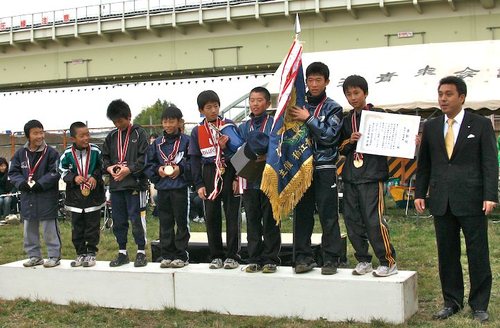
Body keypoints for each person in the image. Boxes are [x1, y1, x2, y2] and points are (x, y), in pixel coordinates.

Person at [414, 76, 497, 323]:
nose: (443, 98)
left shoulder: (480, 124)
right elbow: (424, 164)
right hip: (441, 200)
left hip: (472, 199)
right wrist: (420, 193)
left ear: (461, 97)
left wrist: (490, 195)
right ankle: (452, 301)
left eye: (448, 94)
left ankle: (479, 304)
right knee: (447, 254)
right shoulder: (431, 126)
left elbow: (490, 163)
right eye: (440, 94)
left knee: (477, 252)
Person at [288, 62, 344, 275]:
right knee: (302, 214)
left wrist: (309, 119)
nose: (313, 84)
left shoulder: (334, 107)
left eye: (318, 80)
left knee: (328, 214)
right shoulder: (297, 105)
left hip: (324, 167)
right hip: (301, 168)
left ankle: (331, 259)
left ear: (327, 82)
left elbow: (330, 136)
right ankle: (303, 257)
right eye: (310, 80)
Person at [339, 75, 397, 277]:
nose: (353, 98)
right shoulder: (346, 120)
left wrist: (411, 141)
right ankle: (363, 260)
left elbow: (396, 137)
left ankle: (387, 260)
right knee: (352, 220)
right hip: (351, 176)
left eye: (356, 93)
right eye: (348, 94)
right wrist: (350, 140)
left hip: (372, 175)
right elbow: (340, 147)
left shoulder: (379, 115)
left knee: (374, 220)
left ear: (366, 93)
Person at [188, 90, 242, 270]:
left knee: (232, 214)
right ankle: (216, 255)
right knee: (211, 216)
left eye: (216, 106)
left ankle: (233, 255)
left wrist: (237, 177)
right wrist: (199, 184)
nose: (213, 110)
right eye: (209, 107)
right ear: (201, 110)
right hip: (209, 172)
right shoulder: (197, 131)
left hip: (229, 171)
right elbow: (194, 159)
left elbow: (240, 153)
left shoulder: (228, 125)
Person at [238, 87, 281, 273]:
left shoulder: (275, 124)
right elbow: (237, 154)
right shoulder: (243, 126)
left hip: (269, 179)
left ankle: (271, 258)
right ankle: (253, 258)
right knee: (253, 220)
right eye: (252, 100)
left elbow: (281, 147)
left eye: (259, 100)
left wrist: (267, 156)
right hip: (249, 180)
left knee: (270, 220)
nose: (255, 104)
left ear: (268, 103)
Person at [102, 99, 149, 267]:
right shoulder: (112, 136)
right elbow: (104, 158)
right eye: (114, 122)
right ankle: (122, 252)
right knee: (119, 219)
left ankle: (141, 252)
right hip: (116, 186)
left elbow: (145, 158)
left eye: (120, 121)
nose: (117, 124)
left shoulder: (139, 134)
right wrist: (110, 168)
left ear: (129, 117)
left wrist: (129, 169)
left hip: (135, 185)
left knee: (137, 219)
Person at [8, 120, 61, 268]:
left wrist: (40, 183)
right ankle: (34, 255)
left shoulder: (51, 152)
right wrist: (21, 183)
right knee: (29, 228)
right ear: (28, 136)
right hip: (27, 197)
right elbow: (13, 172)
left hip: (46, 197)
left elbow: (55, 172)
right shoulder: (20, 154)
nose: (40, 136)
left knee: (49, 228)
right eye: (35, 133)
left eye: (41, 132)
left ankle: (54, 255)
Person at [145, 106, 190, 268]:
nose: (168, 125)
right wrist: (158, 170)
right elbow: (149, 164)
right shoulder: (156, 143)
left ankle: (181, 255)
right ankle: (166, 254)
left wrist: (181, 169)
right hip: (163, 187)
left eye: (172, 121)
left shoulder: (187, 141)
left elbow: (192, 161)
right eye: (165, 121)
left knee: (181, 221)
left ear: (179, 122)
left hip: (180, 187)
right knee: (165, 221)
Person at [59, 122, 105, 268]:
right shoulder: (67, 154)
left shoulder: (96, 150)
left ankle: (91, 254)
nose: (86, 138)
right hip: (75, 197)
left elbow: (102, 166)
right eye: (82, 136)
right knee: (77, 227)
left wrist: (95, 177)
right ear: (73, 138)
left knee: (92, 226)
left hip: (93, 195)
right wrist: (73, 178)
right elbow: (61, 170)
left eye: (88, 134)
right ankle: (80, 253)